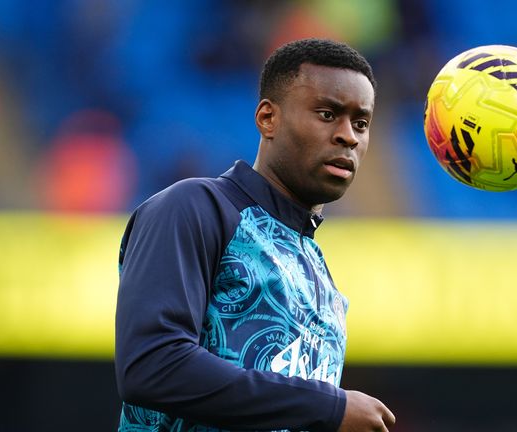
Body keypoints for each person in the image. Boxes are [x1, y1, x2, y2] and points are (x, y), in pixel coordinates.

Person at [114, 38, 396, 432]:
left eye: (360, 123)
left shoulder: (320, 277)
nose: (348, 136)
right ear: (268, 118)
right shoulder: (196, 208)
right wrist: (328, 407)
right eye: (328, 114)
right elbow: (152, 365)